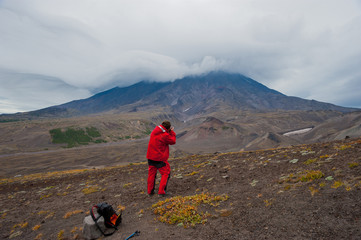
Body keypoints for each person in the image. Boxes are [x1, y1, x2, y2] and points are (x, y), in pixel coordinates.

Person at [146, 120, 176, 196]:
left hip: (150, 157)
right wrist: (171, 132)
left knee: (152, 174)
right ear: (168, 128)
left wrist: (168, 131)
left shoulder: (154, 131)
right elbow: (172, 141)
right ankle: (162, 192)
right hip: (159, 158)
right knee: (166, 173)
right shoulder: (165, 135)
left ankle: (150, 191)